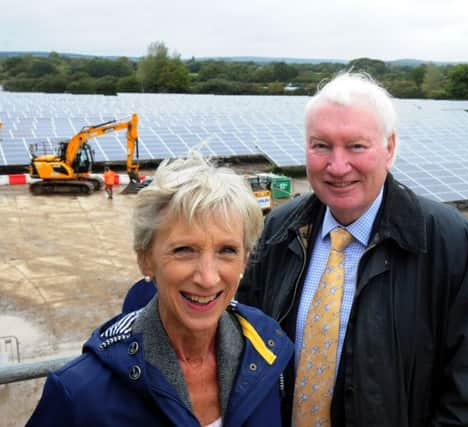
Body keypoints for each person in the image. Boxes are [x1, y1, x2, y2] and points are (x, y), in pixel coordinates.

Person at [237, 72, 468, 427]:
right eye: (321, 145)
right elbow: (245, 345)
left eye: (356, 146)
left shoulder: (451, 244)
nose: (337, 166)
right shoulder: (279, 230)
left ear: (390, 148)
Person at [27, 151, 294, 427]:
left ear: (246, 259)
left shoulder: (269, 357)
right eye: (184, 250)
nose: (208, 278)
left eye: (227, 250)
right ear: (145, 259)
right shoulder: (81, 395)